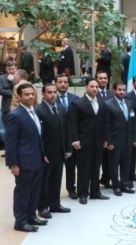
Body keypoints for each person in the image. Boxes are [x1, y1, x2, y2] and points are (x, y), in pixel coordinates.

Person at [5, 83, 47, 232]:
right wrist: (13, 164)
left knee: (34, 191)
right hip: (23, 162)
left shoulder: (33, 111)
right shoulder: (15, 115)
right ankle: (20, 222)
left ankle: (31, 217)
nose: (30, 97)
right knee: (23, 192)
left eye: (32, 94)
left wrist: (43, 155)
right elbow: (10, 143)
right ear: (20, 96)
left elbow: (37, 136)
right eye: (27, 94)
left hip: (37, 160)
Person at [68, 78, 109, 205]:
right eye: (92, 86)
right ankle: (83, 193)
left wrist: (106, 139)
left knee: (96, 167)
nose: (95, 89)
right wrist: (74, 140)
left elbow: (105, 123)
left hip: (98, 141)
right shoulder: (78, 103)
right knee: (84, 168)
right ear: (86, 87)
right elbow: (72, 124)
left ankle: (95, 191)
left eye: (96, 87)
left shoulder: (102, 103)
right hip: (84, 141)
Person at [35, 84, 71, 219]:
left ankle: (55, 204)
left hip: (59, 152)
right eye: (49, 92)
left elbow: (65, 130)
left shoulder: (60, 109)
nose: (53, 95)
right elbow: (38, 136)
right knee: (45, 181)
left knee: (56, 179)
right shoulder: (38, 110)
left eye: (54, 92)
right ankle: (43, 207)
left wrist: (67, 149)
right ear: (43, 94)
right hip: (46, 154)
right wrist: (42, 154)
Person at [105, 83, 136, 196]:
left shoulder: (130, 103)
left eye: (123, 90)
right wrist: (108, 141)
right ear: (114, 91)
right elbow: (106, 125)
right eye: (119, 90)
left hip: (128, 140)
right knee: (114, 165)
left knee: (126, 164)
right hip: (115, 141)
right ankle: (116, 186)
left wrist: (134, 137)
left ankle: (124, 184)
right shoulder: (108, 104)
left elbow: (133, 122)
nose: (122, 92)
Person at [55, 74, 80, 199]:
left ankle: (71, 189)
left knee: (71, 168)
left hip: (71, 139)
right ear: (56, 83)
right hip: (57, 141)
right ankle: (53, 194)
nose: (63, 84)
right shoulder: (51, 99)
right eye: (60, 82)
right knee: (56, 170)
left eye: (65, 82)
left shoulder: (75, 98)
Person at [96, 71, 114, 189]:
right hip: (96, 133)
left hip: (109, 132)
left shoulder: (111, 94)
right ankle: (94, 183)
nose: (103, 80)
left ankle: (106, 179)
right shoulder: (92, 93)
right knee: (97, 161)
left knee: (108, 160)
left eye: (105, 78)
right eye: (100, 78)